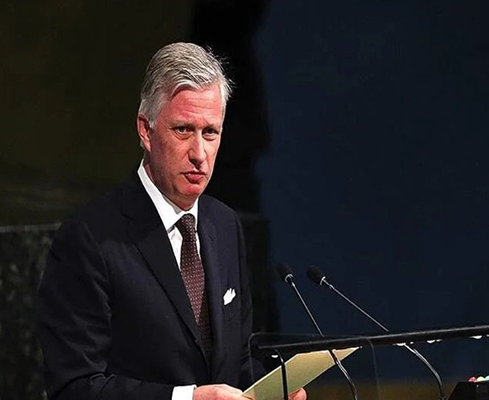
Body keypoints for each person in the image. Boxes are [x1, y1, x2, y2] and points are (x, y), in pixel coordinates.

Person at [37, 42, 307, 400]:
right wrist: (186, 398)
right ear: (145, 130)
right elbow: (75, 387)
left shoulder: (225, 225)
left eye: (210, 133)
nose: (199, 153)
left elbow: (237, 365)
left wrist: (271, 392)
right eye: (183, 130)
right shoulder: (89, 239)